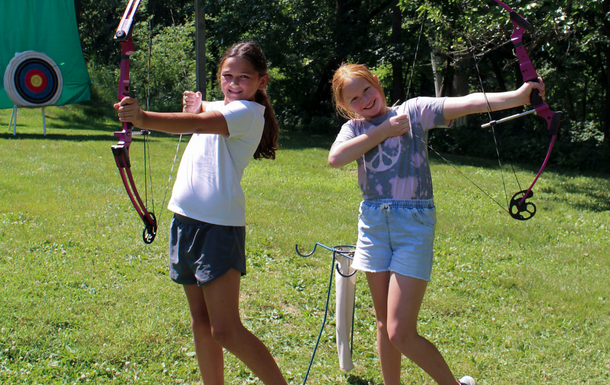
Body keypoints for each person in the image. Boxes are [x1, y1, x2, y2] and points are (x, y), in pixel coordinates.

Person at [328, 63, 547, 385]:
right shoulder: (355, 130)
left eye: (367, 90)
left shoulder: (414, 111)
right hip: (374, 225)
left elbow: (470, 102)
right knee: (381, 322)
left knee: (399, 331)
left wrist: (518, 97)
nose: (365, 100)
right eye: (354, 99)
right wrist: (383, 131)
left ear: (377, 82)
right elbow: (336, 158)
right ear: (346, 107)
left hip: (413, 226)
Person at [114, 41, 286, 385]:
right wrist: (199, 102)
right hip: (185, 221)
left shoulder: (249, 113)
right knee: (200, 321)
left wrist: (143, 118)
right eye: (227, 76)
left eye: (244, 78)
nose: (234, 83)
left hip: (218, 228)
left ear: (261, 82)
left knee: (225, 329)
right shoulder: (224, 105)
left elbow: (197, 120)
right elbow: (205, 108)